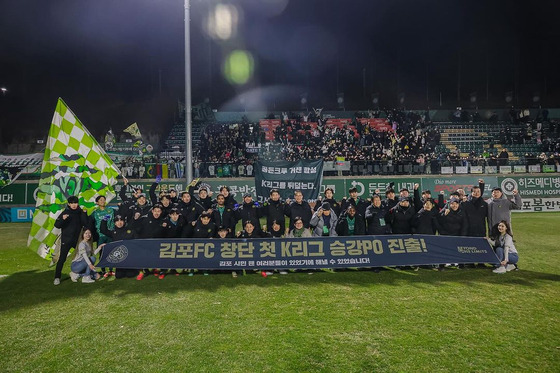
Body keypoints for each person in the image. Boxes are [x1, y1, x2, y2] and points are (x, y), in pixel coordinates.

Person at [53, 196, 89, 285]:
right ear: (69, 204)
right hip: (67, 240)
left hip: (78, 240)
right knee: (62, 258)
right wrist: (62, 219)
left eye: (75, 203)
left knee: (83, 256)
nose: (74, 205)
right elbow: (57, 225)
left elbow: (85, 223)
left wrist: (84, 214)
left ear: (78, 203)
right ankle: (57, 277)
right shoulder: (65, 213)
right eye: (72, 203)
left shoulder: (80, 212)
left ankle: (83, 274)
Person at [100, 214, 137, 279]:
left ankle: (134, 269)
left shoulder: (129, 230)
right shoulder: (113, 232)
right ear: (115, 223)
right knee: (119, 276)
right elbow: (103, 230)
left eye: (121, 220)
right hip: (120, 258)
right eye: (117, 221)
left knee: (130, 275)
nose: (119, 223)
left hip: (129, 257)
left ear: (124, 222)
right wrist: (104, 220)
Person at [90, 195, 115, 278]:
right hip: (100, 236)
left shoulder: (111, 210)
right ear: (97, 202)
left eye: (104, 200)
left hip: (110, 235)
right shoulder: (95, 213)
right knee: (102, 253)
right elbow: (89, 223)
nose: (103, 201)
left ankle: (111, 270)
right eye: (101, 200)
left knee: (111, 252)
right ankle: (103, 270)